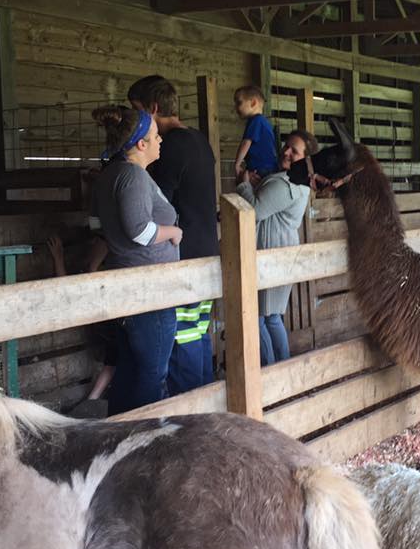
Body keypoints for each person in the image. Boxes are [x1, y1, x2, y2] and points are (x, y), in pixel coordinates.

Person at [128, 74, 219, 395]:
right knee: (198, 332)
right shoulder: (197, 139)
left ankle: (191, 417)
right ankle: (207, 408)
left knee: (183, 338)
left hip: (185, 253)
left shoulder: (172, 146)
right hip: (207, 248)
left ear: (153, 109)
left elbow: (157, 201)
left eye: (137, 112)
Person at [91, 105, 182, 415]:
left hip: (131, 284)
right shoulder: (131, 176)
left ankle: (119, 430)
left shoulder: (114, 173)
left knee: (130, 369)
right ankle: (146, 438)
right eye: (156, 136)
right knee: (151, 374)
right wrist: (173, 231)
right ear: (141, 144)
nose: (161, 141)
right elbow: (140, 231)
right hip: (148, 289)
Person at [235, 129, 317, 366]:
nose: (287, 151)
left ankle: (271, 372)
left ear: (306, 159)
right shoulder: (292, 181)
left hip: (271, 254)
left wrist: (244, 184)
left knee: (262, 318)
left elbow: (254, 210)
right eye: (286, 146)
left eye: (295, 150)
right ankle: (281, 368)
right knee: (270, 317)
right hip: (279, 252)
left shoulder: (286, 184)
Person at [46, 233, 116, 408]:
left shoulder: (102, 267)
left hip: (109, 319)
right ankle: (92, 400)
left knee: (114, 360)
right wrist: (59, 257)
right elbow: (69, 294)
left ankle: (92, 400)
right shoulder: (92, 268)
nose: (94, 245)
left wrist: (59, 258)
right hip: (105, 321)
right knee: (113, 360)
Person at [233, 84, 278, 177]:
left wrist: (237, 164)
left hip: (260, 169)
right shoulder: (265, 122)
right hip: (270, 168)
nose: (236, 107)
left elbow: (246, 143)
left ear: (253, 103)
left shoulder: (256, 121)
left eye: (239, 102)